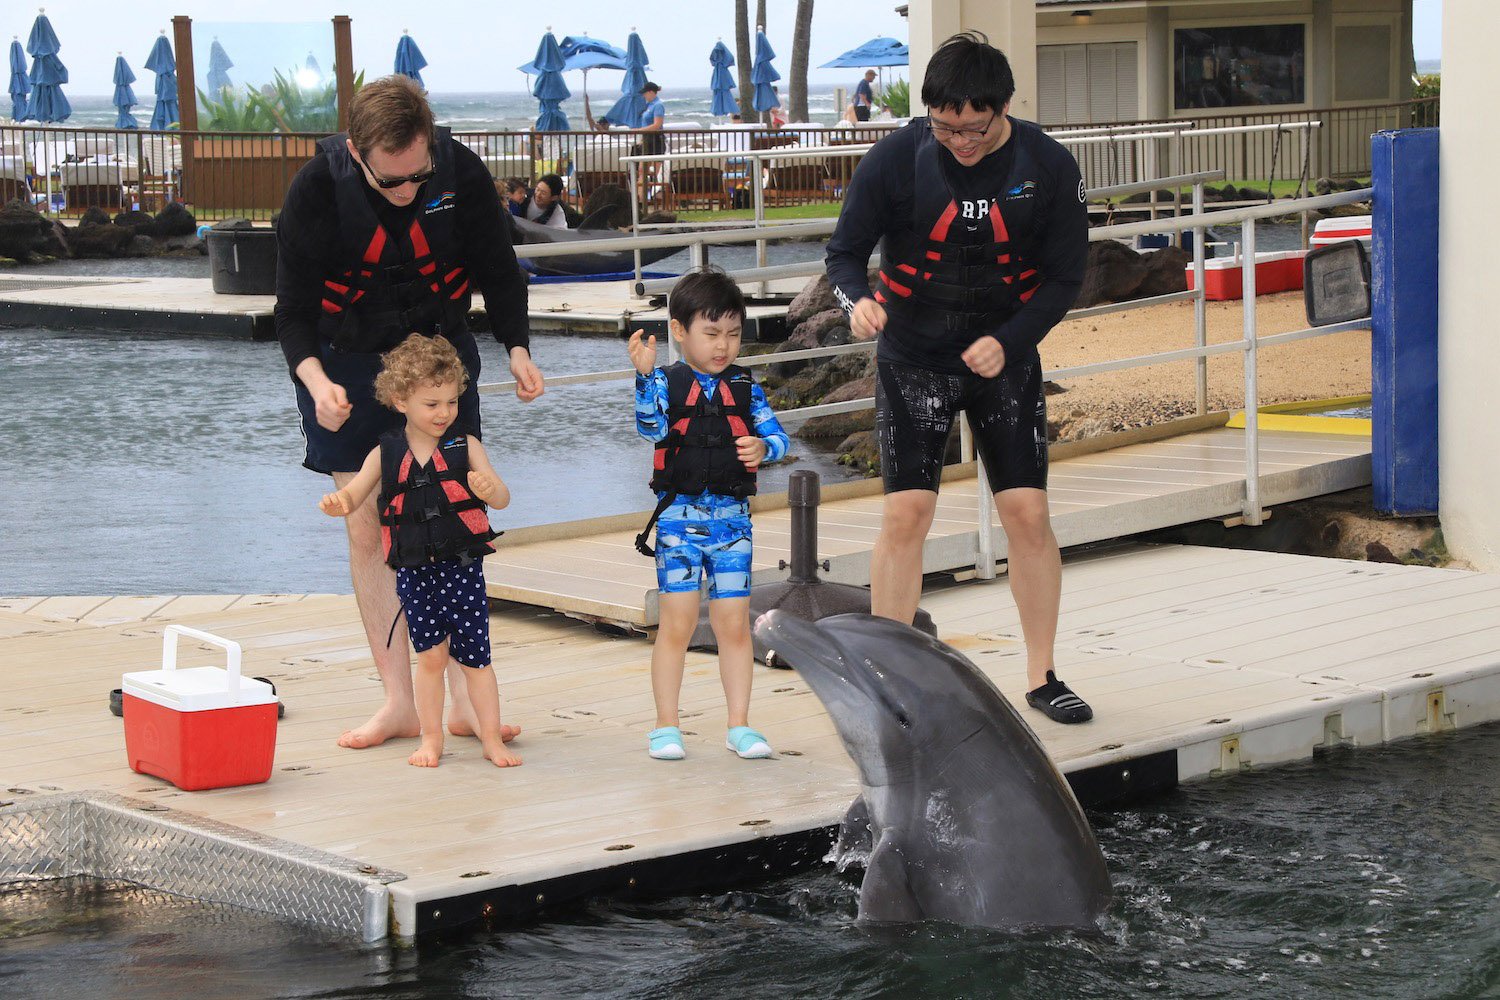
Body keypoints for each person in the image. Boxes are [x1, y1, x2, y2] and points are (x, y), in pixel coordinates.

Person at [823, 32, 1094, 724]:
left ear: (1001, 108)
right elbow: (845, 254)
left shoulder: (1048, 164)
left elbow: (1065, 277)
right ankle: (892, 677)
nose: (960, 141)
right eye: (945, 128)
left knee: (1027, 514)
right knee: (904, 514)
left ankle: (1042, 675)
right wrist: (860, 304)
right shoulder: (898, 158)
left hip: (1003, 359)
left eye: (973, 129)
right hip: (914, 358)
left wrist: (1010, 342)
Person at [275, 74, 546, 750]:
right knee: (370, 529)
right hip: (346, 364)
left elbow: (498, 269)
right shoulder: (316, 190)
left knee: (450, 521)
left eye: (416, 177)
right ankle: (400, 699)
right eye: (390, 181)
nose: (406, 191)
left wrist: (517, 348)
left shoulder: (459, 173)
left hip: (436, 360)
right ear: (357, 150)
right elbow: (293, 314)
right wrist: (315, 383)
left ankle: (460, 701)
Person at [318, 334, 522, 769]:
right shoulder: (384, 453)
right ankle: (431, 740)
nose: (444, 412)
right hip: (415, 573)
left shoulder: (466, 447)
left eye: (451, 402)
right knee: (430, 657)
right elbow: (354, 495)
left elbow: (501, 498)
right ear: (400, 400)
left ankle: (490, 738)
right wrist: (339, 503)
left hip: (462, 570)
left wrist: (490, 489)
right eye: (432, 404)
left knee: (477, 659)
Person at [625, 268, 790, 761]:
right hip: (678, 522)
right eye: (712, 333)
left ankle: (739, 724)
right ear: (680, 330)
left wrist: (765, 447)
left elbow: (779, 438)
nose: (724, 346)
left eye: (734, 334)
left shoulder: (747, 388)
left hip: (733, 525)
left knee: (734, 626)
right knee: (676, 623)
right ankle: (665, 726)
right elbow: (651, 429)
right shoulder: (663, 384)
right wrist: (642, 375)